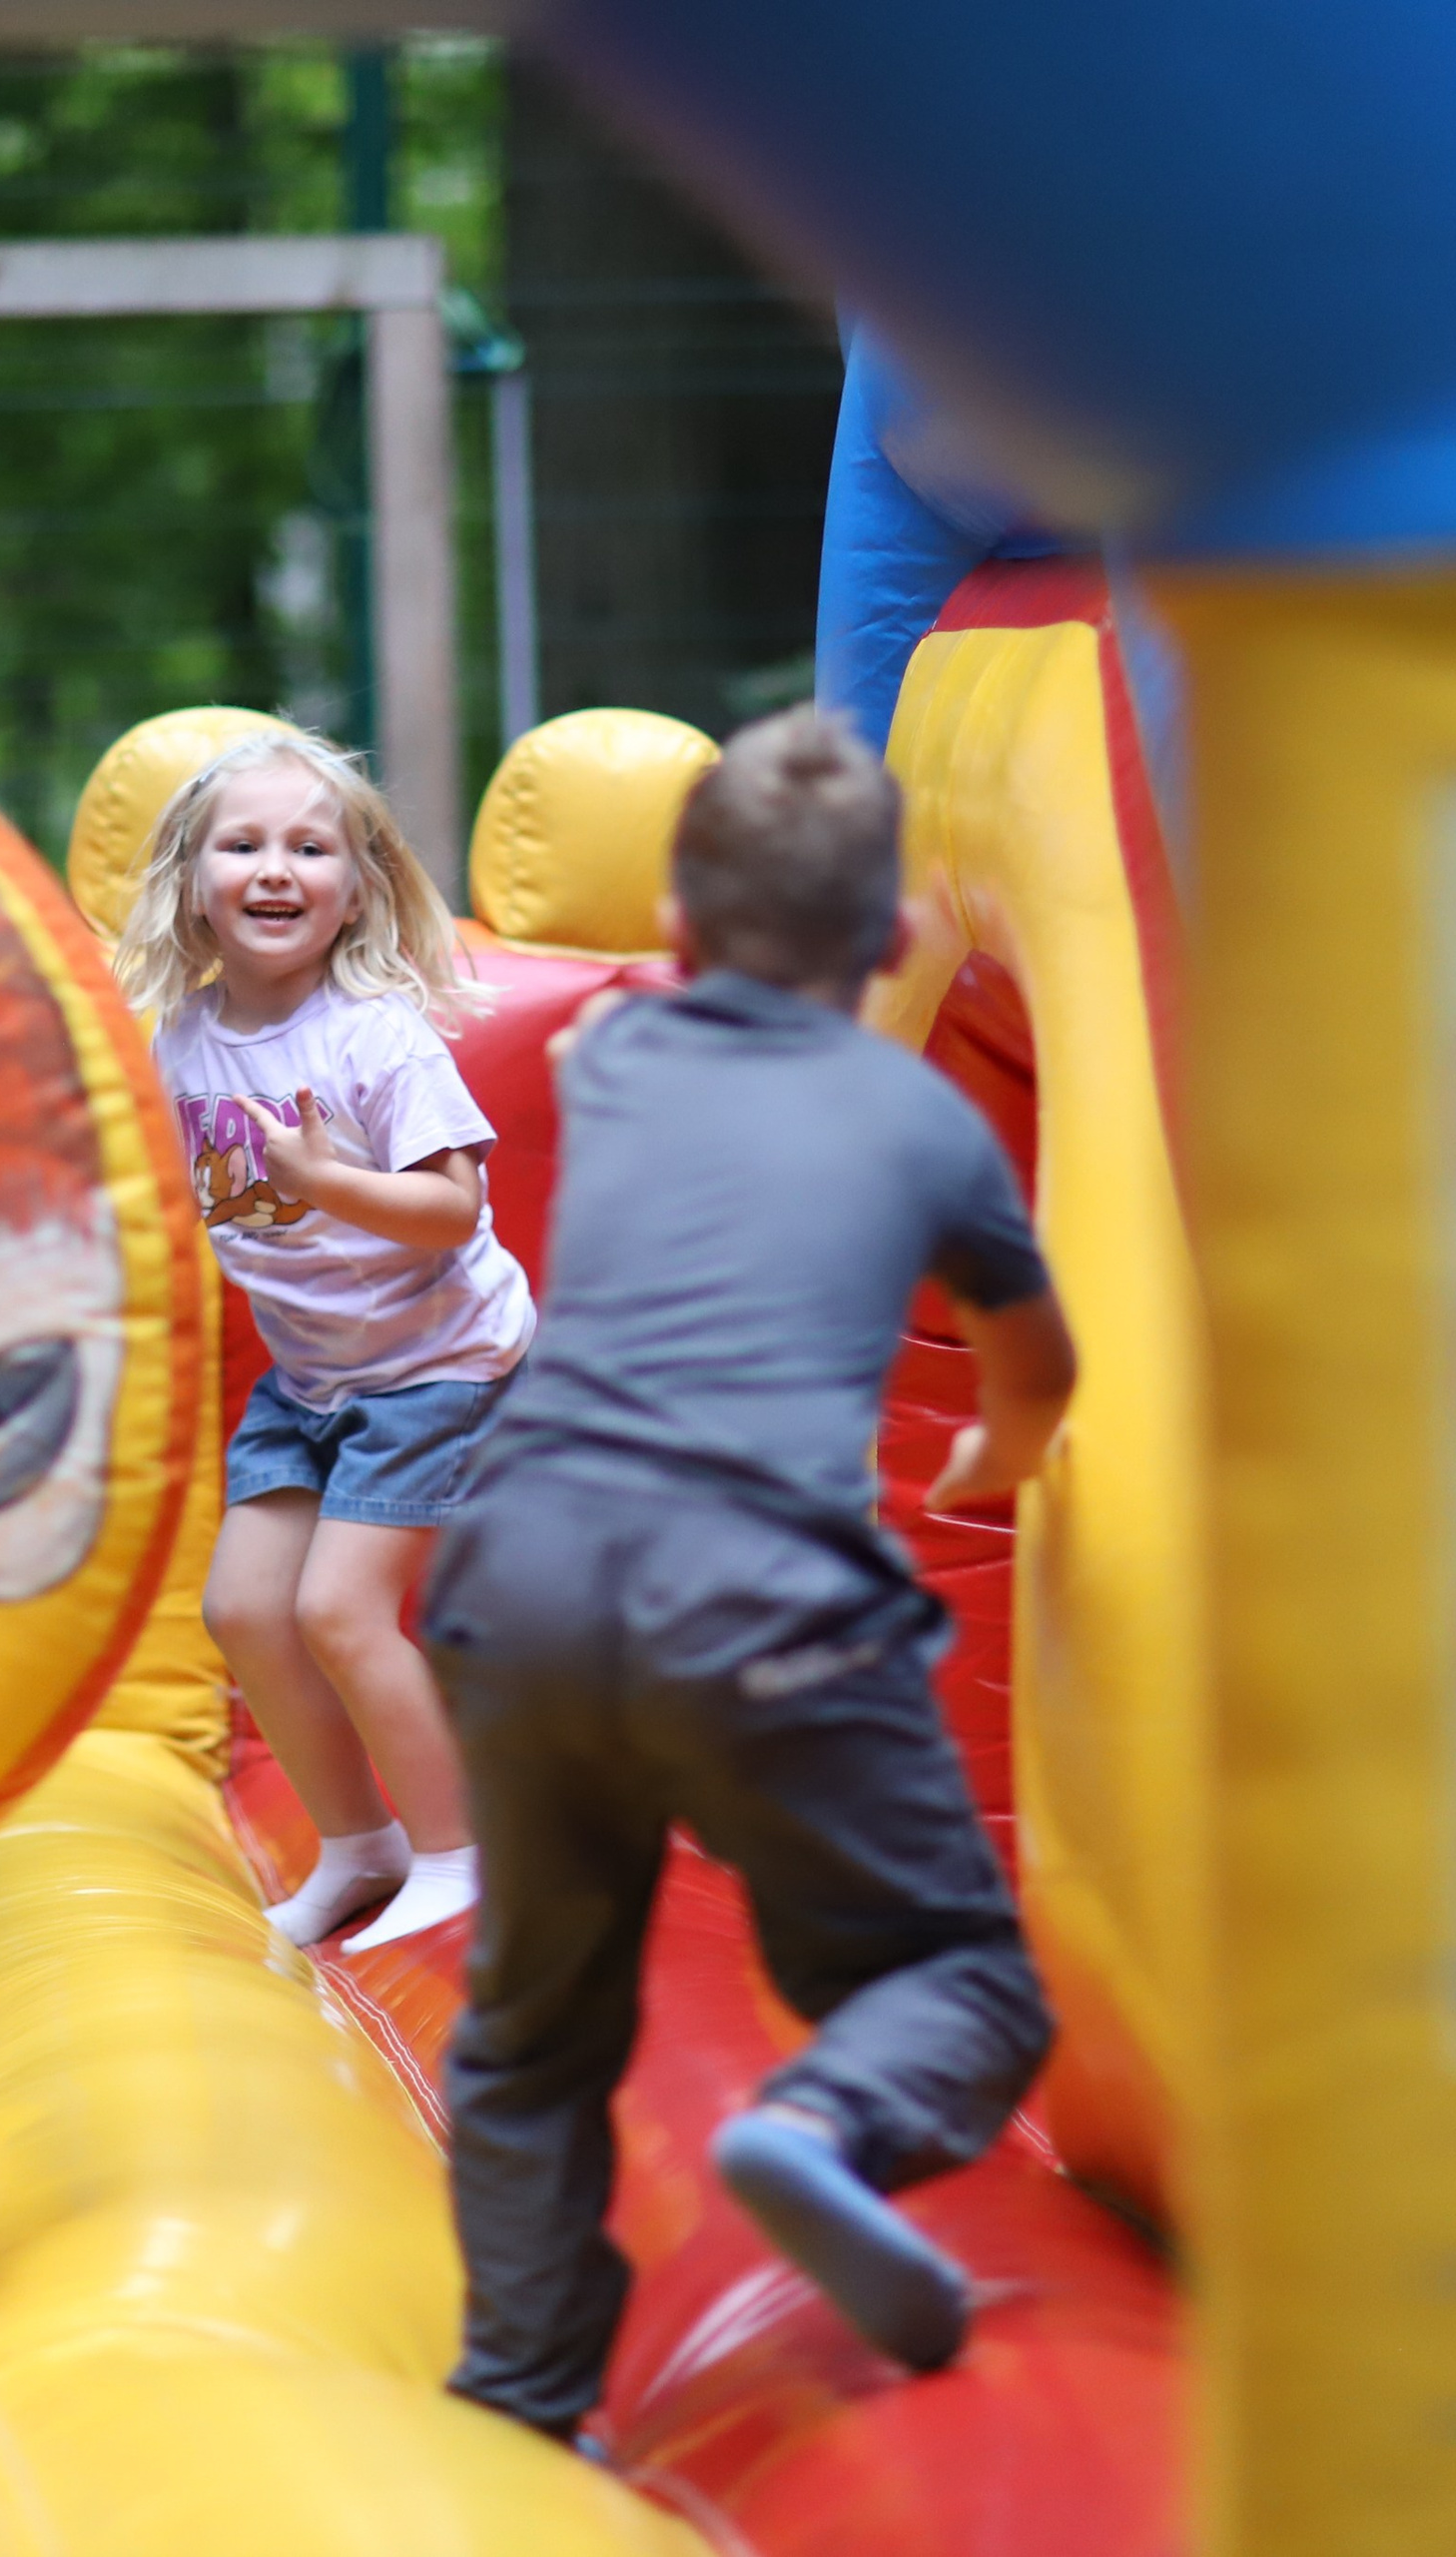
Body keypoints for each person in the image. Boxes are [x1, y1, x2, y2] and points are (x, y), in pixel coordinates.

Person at [421, 706, 1077, 2443]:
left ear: (678, 927)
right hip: (761, 1600)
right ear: (890, 937)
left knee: (534, 2025)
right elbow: (1038, 1367)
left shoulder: (619, 1053)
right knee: (964, 1980)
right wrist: (1002, 1449)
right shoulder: (921, 1121)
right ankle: (821, 2122)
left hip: (514, 1576)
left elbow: (619, 1028)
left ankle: (522, 2390)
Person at [116, 731, 532, 1951]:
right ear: (191, 881)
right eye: (242, 845)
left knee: (342, 1611)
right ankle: (360, 1847)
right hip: (313, 1376)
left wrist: (327, 1181)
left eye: (309, 847)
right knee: (247, 1609)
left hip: (437, 1364)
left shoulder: (373, 1036)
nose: (275, 868)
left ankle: (457, 1852)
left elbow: (450, 1208)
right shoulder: (183, 1038)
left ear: (356, 887)